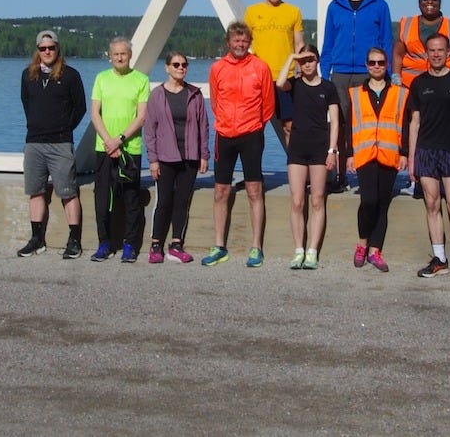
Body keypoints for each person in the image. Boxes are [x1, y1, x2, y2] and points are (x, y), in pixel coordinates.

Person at [204, 21, 276, 268]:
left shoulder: (260, 67)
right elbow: (215, 101)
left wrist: (253, 126)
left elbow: (268, 105)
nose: (240, 44)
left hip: (251, 134)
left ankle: (256, 247)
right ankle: (219, 246)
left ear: (249, 42)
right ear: (228, 42)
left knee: (255, 190)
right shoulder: (217, 68)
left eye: (244, 40)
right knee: (220, 191)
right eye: (236, 40)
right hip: (224, 134)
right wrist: (226, 121)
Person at [408, 34, 450, 285]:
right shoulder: (418, 84)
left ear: (448, 52)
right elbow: (414, 124)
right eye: (432, 50)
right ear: (426, 53)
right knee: (432, 205)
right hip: (426, 151)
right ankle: (439, 259)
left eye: (440, 50)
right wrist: (412, 158)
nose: (436, 54)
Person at [17, 30, 87, 259]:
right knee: (35, 192)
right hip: (34, 143)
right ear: (37, 51)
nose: (47, 52)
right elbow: (26, 103)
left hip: (60, 143)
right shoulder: (28, 76)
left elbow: (80, 108)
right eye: (42, 48)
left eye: (51, 48)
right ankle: (37, 239)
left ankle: (74, 240)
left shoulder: (70, 76)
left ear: (58, 49)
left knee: (68, 192)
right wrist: (36, 126)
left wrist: (64, 128)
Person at [276, 44, 341, 269]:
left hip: (319, 148)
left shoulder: (328, 87)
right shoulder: (294, 85)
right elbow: (278, 83)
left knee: (316, 199)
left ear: (318, 60)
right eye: (303, 61)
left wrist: (333, 150)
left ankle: (312, 250)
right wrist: (292, 56)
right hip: (297, 148)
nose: (307, 64)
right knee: (296, 201)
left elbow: (335, 121)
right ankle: (298, 249)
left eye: (311, 59)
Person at [346, 47, 410, 273]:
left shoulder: (400, 92)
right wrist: (348, 155)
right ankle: (362, 243)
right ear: (366, 65)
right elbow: (348, 125)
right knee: (368, 201)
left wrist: (405, 153)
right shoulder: (354, 92)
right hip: (364, 154)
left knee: (383, 204)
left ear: (387, 65)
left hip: (389, 153)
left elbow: (406, 123)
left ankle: (375, 250)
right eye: (372, 62)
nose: (376, 66)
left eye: (381, 63)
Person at [143, 50, 210, 265]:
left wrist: (203, 155)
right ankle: (155, 245)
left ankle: (176, 244)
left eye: (184, 64)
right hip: (165, 157)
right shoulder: (157, 95)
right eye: (176, 64)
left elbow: (203, 126)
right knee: (163, 201)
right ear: (167, 67)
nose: (181, 68)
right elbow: (150, 129)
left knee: (182, 201)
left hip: (189, 157)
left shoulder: (195, 94)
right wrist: (153, 159)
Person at [88, 37, 151, 263]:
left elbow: (142, 116)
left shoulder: (141, 80)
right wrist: (108, 141)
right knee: (102, 199)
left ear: (130, 55)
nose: (119, 57)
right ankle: (104, 243)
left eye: (123, 53)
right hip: (103, 148)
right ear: (110, 55)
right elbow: (95, 113)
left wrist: (120, 140)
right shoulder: (101, 78)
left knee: (131, 199)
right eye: (115, 54)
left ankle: (129, 245)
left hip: (129, 149)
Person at [320, 0, 393, 117]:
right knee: (341, 121)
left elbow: (386, 42)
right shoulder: (334, 7)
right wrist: (325, 76)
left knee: (367, 119)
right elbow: (328, 44)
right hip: (339, 74)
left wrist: (387, 73)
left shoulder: (379, 5)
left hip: (369, 72)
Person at [245, 0, 305, 143]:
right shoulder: (251, 12)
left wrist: (301, 70)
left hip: (287, 78)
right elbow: (244, 45)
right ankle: (255, 170)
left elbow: (299, 43)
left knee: (289, 126)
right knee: (257, 128)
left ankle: (294, 168)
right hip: (259, 79)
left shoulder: (293, 11)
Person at [392, 0, 450, 88]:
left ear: (440, 3)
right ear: (419, 3)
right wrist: (396, 80)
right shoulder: (406, 24)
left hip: (444, 85)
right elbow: (397, 54)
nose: (430, 1)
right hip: (409, 86)